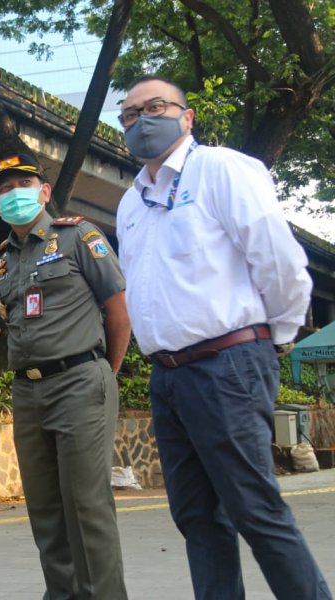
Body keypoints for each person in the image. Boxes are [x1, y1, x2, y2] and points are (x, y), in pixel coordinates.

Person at [115, 75, 332, 600]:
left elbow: (280, 262)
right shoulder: (130, 204)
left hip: (227, 364)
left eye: (156, 107)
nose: (142, 120)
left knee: (255, 510)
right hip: (168, 376)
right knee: (196, 516)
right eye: (129, 114)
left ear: (186, 117)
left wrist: (270, 339)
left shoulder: (220, 169)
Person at [0, 154, 131, 599]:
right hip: (27, 390)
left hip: (80, 380)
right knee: (46, 511)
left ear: (44, 192)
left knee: (86, 508)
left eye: (23, 184)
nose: (14, 195)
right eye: (4, 189)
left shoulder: (78, 236)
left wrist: (105, 372)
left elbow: (118, 311)